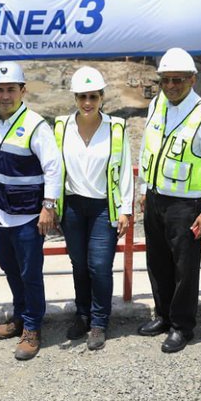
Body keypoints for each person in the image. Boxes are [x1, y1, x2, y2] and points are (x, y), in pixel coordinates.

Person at [137, 48, 201, 353]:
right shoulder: (156, 105)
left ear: (192, 79)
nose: (172, 85)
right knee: (157, 262)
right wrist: (142, 190)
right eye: (166, 80)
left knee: (184, 268)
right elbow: (146, 149)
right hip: (155, 197)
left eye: (178, 80)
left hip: (186, 205)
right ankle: (162, 315)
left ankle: (181, 326)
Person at [0, 61, 61, 361]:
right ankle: (21, 316)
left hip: (27, 216)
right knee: (10, 269)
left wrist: (48, 208)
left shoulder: (36, 125)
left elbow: (53, 168)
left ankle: (33, 327)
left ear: (23, 90)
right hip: (0, 213)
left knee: (30, 273)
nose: (5, 95)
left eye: (11, 89)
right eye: (0, 90)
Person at [49, 66, 133, 352]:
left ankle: (99, 321)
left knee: (99, 265)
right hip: (72, 206)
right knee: (79, 265)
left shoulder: (116, 128)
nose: (88, 102)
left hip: (102, 208)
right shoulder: (61, 126)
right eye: (82, 96)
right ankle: (82, 314)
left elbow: (124, 173)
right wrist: (51, 205)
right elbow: (52, 168)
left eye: (93, 97)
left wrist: (125, 209)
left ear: (102, 97)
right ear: (75, 97)